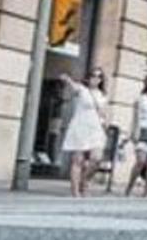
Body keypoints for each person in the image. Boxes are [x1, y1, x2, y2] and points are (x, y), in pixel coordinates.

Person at [59, 68, 108, 198]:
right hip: (81, 126)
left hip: (96, 128)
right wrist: (67, 79)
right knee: (78, 160)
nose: (96, 78)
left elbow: (103, 113)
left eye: (99, 76)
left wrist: (104, 124)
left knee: (96, 158)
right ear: (88, 77)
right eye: (93, 75)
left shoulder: (102, 95)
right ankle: (75, 191)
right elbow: (73, 86)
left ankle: (84, 181)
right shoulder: (82, 89)